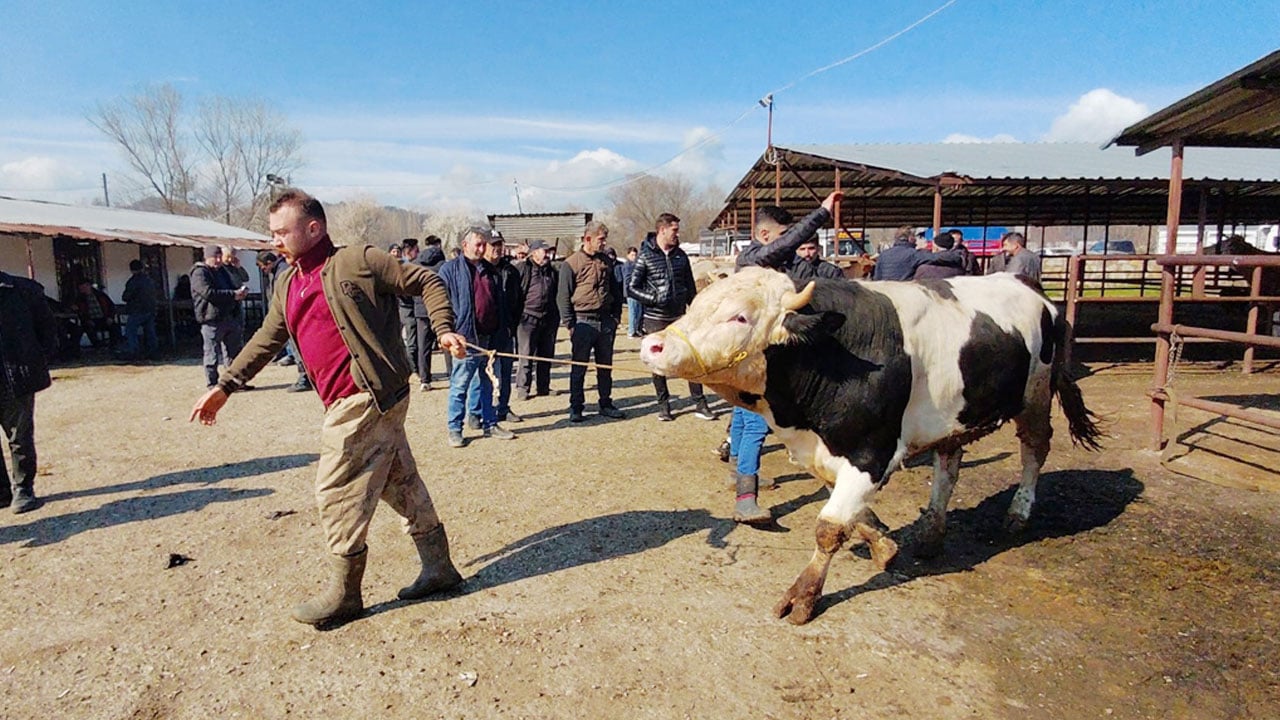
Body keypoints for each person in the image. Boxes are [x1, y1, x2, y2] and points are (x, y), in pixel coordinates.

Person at [190, 189, 468, 627]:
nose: (275, 240)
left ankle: (346, 593)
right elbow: (267, 338)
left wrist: (445, 329)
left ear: (313, 228)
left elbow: (427, 281)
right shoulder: (287, 281)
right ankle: (439, 567)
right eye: (273, 232)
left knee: (334, 489)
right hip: (352, 400)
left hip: (367, 397)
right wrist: (226, 386)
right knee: (397, 479)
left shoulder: (358, 260)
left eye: (283, 231)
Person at [729, 192, 842, 523]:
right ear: (764, 236)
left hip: (779, 353)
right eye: (782, 236)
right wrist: (821, 212)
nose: (791, 245)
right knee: (754, 424)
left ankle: (738, 469)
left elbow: (817, 278)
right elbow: (787, 245)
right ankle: (745, 501)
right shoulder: (752, 259)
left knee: (742, 416)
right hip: (753, 356)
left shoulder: (783, 264)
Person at [629, 213, 715, 422]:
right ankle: (664, 405)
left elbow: (690, 286)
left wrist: (696, 311)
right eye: (674, 230)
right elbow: (632, 288)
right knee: (658, 362)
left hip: (680, 317)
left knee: (691, 359)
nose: (678, 234)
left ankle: (700, 403)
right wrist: (654, 297)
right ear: (662, 230)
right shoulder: (646, 256)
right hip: (655, 317)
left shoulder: (681, 256)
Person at [438, 226, 518, 447]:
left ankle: (490, 424)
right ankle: (455, 429)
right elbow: (441, 304)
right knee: (460, 385)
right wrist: (450, 332)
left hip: (489, 337)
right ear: (465, 245)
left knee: (488, 384)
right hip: (464, 339)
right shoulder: (449, 270)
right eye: (479, 244)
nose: (483, 249)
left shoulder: (489, 270)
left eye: (485, 244)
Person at [0, 270, 58, 514]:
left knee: (19, 434)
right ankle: (2, 491)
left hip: (13, 376)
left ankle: (23, 488)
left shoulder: (23, 290)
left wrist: (33, 361)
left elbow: (47, 330)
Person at [558, 220, 626, 423]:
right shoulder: (570, 264)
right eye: (601, 239)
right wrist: (570, 324)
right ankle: (576, 407)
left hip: (605, 322)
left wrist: (615, 318)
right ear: (588, 239)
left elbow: (615, 289)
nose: (604, 243)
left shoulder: (607, 261)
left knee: (605, 367)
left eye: (604, 239)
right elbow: (563, 296)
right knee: (579, 368)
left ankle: (605, 403)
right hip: (582, 322)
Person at [190, 245, 248, 389]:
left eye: (219, 257)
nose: (217, 260)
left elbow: (236, 283)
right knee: (212, 355)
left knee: (234, 353)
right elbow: (208, 293)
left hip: (229, 316)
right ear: (206, 257)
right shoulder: (199, 273)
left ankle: (234, 382)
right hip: (211, 319)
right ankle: (213, 384)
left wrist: (239, 291)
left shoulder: (222, 271)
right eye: (214, 257)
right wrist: (232, 295)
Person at [256, 251, 312, 392]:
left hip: (290, 316)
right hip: (288, 315)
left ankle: (304, 378)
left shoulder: (282, 272)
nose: (263, 270)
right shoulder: (278, 271)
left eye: (263, 267)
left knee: (297, 348)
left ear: (269, 263)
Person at [484, 233, 524, 423]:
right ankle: (480, 412)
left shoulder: (511, 271)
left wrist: (512, 326)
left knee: (506, 372)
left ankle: (503, 407)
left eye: (499, 245)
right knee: (483, 375)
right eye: (493, 245)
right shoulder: (478, 270)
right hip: (484, 331)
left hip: (505, 330)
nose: (497, 249)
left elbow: (518, 301)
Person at [514, 239, 559, 401]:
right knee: (526, 355)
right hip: (527, 319)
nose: (547, 254)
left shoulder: (552, 271)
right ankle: (523, 387)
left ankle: (543, 387)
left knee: (546, 355)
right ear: (533, 252)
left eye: (548, 251)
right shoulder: (522, 269)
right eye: (544, 251)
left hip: (548, 319)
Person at [412, 236, 447, 390]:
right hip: (440, 309)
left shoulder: (416, 265)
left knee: (423, 346)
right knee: (446, 342)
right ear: (439, 245)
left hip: (421, 310)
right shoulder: (445, 266)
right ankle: (453, 375)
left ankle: (425, 380)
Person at [872, 226, 965, 281]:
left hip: (885, 294)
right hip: (903, 292)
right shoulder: (914, 254)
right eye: (914, 237)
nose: (916, 240)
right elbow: (936, 257)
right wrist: (956, 255)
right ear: (910, 239)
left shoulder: (883, 255)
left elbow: (876, 278)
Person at [121, 259, 159, 360]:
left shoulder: (133, 281)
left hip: (137, 310)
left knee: (130, 330)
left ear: (131, 270)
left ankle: (134, 351)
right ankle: (153, 352)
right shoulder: (149, 280)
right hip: (150, 309)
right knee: (150, 331)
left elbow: (126, 296)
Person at [398, 238, 421, 374]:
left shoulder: (415, 265)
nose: (418, 253)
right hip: (406, 307)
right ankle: (413, 369)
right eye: (416, 250)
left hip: (414, 306)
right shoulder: (402, 267)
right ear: (408, 251)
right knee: (411, 340)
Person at [73, 279, 117, 348]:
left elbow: (111, 306)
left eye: (84, 287)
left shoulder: (101, 295)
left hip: (103, 318)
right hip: (90, 319)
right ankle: (98, 346)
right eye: (80, 288)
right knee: (87, 328)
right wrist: (86, 319)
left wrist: (110, 317)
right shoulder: (80, 299)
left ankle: (115, 346)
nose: (82, 289)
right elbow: (80, 312)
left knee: (114, 326)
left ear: (89, 286)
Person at [620, 245, 643, 338]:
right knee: (632, 312)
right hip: (631, 292)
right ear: (628, 255)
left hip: (638, 291)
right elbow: (627, 279)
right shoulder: (627, 266)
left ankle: (636, 329)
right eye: (632, 255)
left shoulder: (636, 265)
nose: (634, 257)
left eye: (635, 255)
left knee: (638, 311)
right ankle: (631, 331)